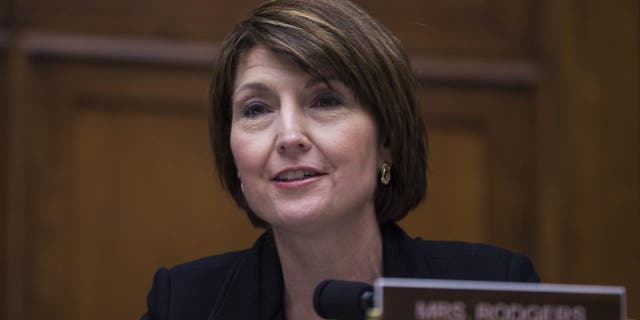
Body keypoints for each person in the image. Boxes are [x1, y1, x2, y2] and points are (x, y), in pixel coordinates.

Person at [141, 0, 539, 319]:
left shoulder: (492, 292)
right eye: (257, 109)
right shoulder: (185, 304)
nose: (289, 137)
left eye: (326, 101)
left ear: (387, 140)